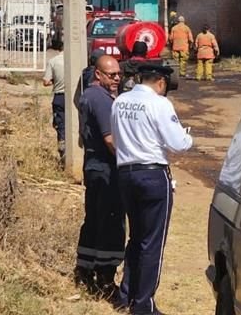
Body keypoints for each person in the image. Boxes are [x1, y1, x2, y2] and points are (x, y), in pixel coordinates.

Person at [111, 63, 194, 314]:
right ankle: (144, 303)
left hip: (126, 173)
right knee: (152, 242)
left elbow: (116, 136)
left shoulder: (120, 101)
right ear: (160, 82)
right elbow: (178, 143)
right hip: (153, 175)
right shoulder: (159, 104)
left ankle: (126, 295)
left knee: (136, 237)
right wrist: (188, 136)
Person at [73, 55, 126, 299]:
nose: (117, 78)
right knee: (110, 222)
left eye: (118, 74)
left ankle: (85, 269)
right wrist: (130, 162)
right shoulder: (101, 100)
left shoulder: (89, 96)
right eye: (111, 74)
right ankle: (105, 277)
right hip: (106, 169)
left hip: (94, 166)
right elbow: (110, 139)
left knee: (94, 219)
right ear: (98, 74)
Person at [42, 38, 67, 166]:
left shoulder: (53, 61)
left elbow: (46, 81)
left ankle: (63, 155)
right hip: (73, 97)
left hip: (59, 97)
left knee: (60, 126)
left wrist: (55, 81)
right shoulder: (75, 61)